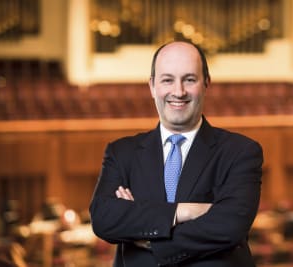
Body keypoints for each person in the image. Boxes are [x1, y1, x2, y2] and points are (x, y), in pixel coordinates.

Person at [90, 41, 263, 267]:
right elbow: (104, 219)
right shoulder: (122, 153)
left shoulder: (241, 152)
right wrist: (184, 211)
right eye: (167, 80)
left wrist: (147, 234)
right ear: (152, 86)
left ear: (206, 84)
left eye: (189, 79)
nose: (178, 91)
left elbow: (230, 225)